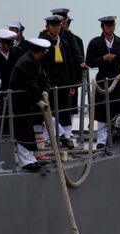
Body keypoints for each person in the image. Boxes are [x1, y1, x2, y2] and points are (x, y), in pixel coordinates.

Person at [86, 16, 120, 149]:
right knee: (103, 110)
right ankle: (101, 141)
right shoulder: (95, 43)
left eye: (112, 26)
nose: (110, 28)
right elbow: (89, 61)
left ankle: (119, 136)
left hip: (118, 79)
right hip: (103, 79)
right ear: (103, 27)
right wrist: (103, 58)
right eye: (107, 26)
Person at [8, 38, 52, 171]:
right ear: (41, 52)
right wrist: (39, 100)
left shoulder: (34, 61)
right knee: (22, 132)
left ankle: (30, 157)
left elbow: (43, 78)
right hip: (19, 102)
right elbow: (31, 83)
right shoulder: (26, 62)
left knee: (28, 131)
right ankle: (25, 161)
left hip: (27, 102)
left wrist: (46, 90)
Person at [38, 15, 75, 149]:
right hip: (48, 81)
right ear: (48, 27)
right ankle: (50, 137)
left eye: (58, 25)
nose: (55, 28)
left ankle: (65, 136)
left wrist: (72, 84)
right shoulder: (43, 43)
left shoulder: (63, 43)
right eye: (52, 25)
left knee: (64, 110)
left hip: (63, 81)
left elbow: (69, 64)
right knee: (49, 110)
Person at [50, 8, 87, 126]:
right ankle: (54, 133)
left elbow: (78, 54)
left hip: (69, 75)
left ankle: (67, 132)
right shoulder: (46, 37)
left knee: (70, 104)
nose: (62, 23)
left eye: (64, 20)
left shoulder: (73, 38)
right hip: (52, 76)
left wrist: (79, 77)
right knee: (52, 104)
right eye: (58, 21)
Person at [0, 29, 24, 134]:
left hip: (19, 88)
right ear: (0, 41)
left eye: (12, 43)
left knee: (22, 116)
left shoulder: (18, 52)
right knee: (3, 116)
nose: (10, 46)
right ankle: (2, 138)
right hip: (5, 88)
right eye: (8, 43)